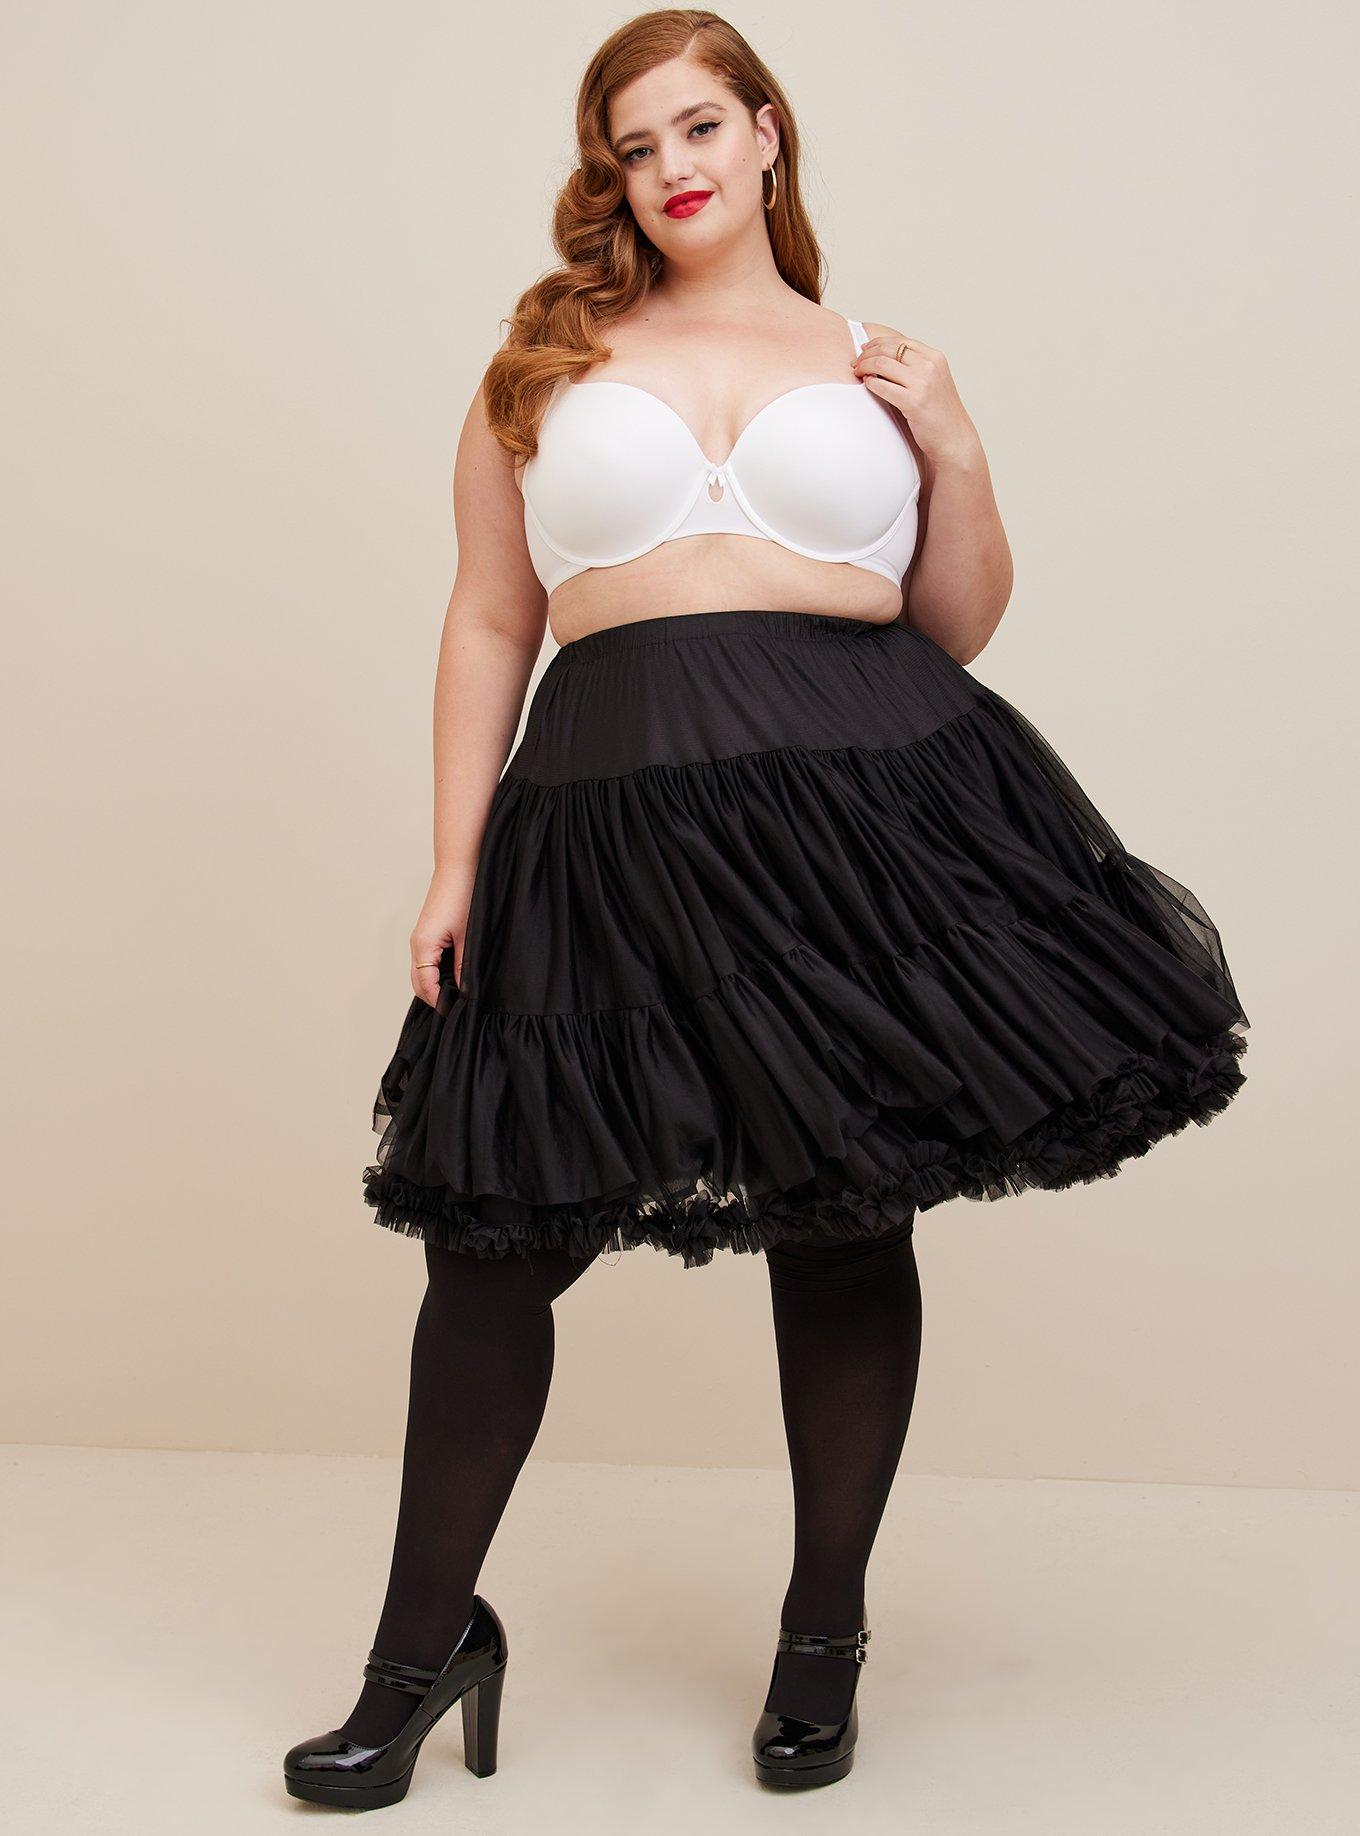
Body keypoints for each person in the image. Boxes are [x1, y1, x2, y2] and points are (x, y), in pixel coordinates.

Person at [283, 8, 1249, 1807]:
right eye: (635, 146)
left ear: (767, 133)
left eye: (700, 127)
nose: (673, 168)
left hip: (861, 825)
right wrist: (453, 860)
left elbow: (953, 621)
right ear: (609, 176)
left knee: (845, 1213)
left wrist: (956, 446)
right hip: (605, 828)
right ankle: (417, 1658)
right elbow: (489, 617)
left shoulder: (878, 360)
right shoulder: (539, 366)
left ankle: (823, 1641)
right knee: (490, 1244)